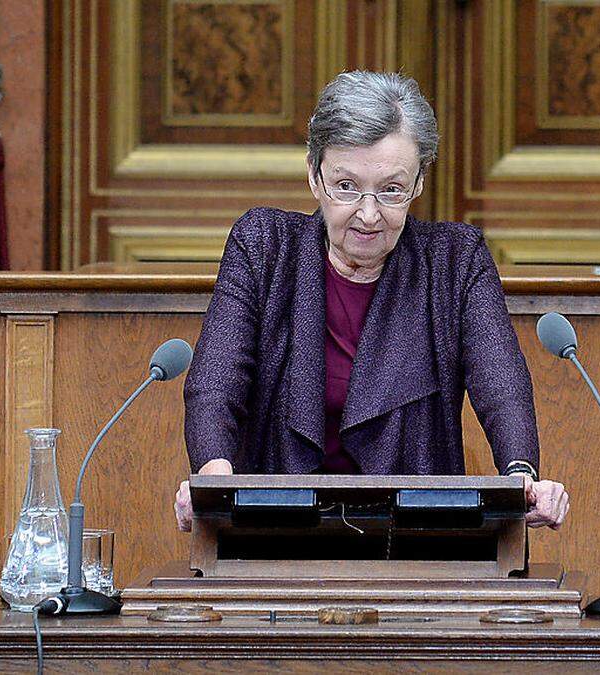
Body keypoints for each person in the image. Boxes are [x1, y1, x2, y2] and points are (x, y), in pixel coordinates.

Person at [173, 71, 569, 532]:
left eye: (391, 190)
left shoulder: (455, 261)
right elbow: (217, 381)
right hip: (273, 529)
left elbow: (500, 381)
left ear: (419, 182)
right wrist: (213, 477)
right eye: (346, 186)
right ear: (313, 174)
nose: (367, 213)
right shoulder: (264, 247)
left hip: (419, 539)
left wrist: (521, 476)